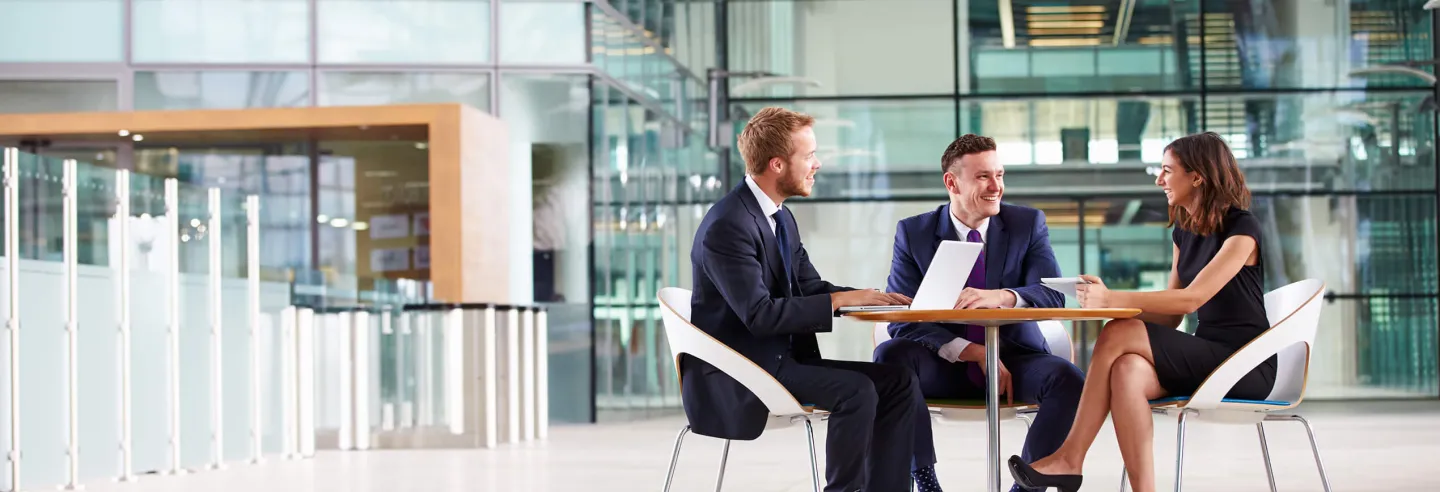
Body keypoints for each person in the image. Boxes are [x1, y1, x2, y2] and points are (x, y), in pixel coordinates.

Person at [684, 106, 937, 492]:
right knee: (856, 392)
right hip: (744, 371)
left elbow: (809, 288)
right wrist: (837, 301)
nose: (817, 165)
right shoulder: (728, 225)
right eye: (810, 155)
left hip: (782, 360)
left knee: (898, 381)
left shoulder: (781, 218)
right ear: (777, 165)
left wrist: (869, 299)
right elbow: (759, 315)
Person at [1007, 132, 1275, 492]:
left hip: (1245, 362)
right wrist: (1115, 310)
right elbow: (1170, 317)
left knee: (1118, 332)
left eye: (1167, 170)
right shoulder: (1184, 231)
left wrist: (1111, 301)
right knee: (1127, 370)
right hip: (1207, 354)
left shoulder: (1242, 228)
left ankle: (1070, 457)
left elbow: (1191, 300)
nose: (1159, 180)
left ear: (1197, 177)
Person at [873, 134, 1085, 492]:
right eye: (983, 176)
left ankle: (1026, 488)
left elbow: (1052, 295)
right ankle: (925, 482)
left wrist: (1003, 296)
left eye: (999, 175)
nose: (996, 186)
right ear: (952, 182)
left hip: (1014, 363)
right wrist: (972, 352)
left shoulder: (1027, 223)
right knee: (890, 357)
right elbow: (903, 317)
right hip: (944, 363)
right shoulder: (914, 232)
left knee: (1069, 379)